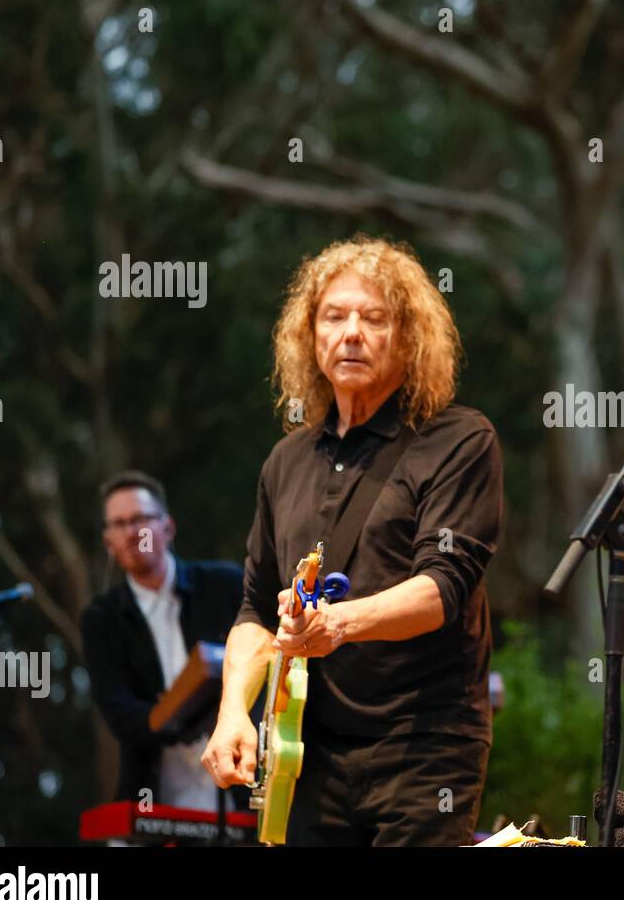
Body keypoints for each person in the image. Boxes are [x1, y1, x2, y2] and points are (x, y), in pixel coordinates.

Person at [202, 236, 503, 846]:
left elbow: (440, 591)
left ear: (410, 337)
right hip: (306, 751)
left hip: (425, 747)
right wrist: (234, 710)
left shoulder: (459, 440)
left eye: (374, 318)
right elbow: (256, 608)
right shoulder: (285, 462)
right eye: (334, 316)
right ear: (309, 337)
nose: (351, 333)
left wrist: (336, 625)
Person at [81, 471, 244, 809]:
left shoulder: (225, 585)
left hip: (237, 782)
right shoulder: (101, 619)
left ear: (167, 527)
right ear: (107, 541)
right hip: (153, 793)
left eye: (139, 519)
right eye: (118, 524)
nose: (130, 533)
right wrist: (177, 716)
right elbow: (118, 710)